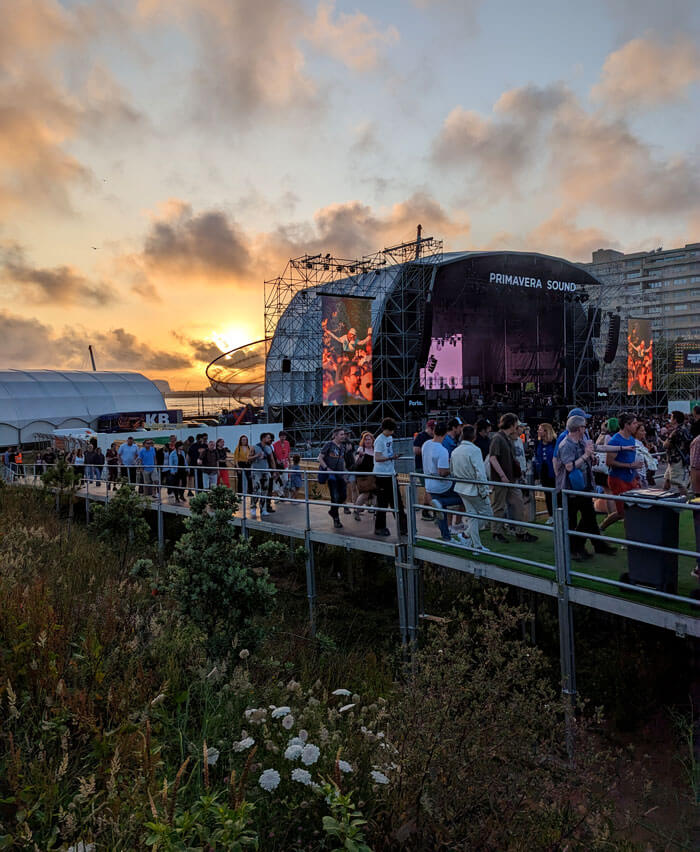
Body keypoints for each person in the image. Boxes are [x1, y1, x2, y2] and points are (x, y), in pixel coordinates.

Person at [557, 415, 617, 561]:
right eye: (584, 426)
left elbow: (593, 451)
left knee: (589, 516)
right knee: (577, 519)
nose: (586, 429)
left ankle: (589, 545)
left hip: (583, 486)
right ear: (579, 428)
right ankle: (576, 549)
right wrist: (586, 456)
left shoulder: (581, 442)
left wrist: (591, 458)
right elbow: (570, 466)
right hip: (571, 489)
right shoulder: (566, 445)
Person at [488, 412, 537, 544]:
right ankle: (496, 532)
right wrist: (502, 475)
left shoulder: (507, 438)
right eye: (516, 423)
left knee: (518, 504)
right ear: (511, 424)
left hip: (510, 479)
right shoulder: (498, 438)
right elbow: (492, 458)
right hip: (502, 479)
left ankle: (520, 531)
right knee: (499, 506)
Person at [451, 424, 492, 551]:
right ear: (474, 436)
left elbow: (452, 471)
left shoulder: (455, 451)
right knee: (487, 514)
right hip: (473, 488)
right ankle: (467, 537)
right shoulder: (474, 450)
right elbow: (480, 472)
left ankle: (475, 544)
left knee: (473, 516)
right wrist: (484, 490)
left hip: (461, 488)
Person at [422, 422, 465, 543]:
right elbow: (442, 472)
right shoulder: (442, 450)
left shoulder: (426, 444)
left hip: (429, 484)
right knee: (463, 498)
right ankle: (442, 502)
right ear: (445, 434)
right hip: (441, 485)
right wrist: (452, 468)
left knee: (441, 513)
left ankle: (446, 538)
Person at [602, 413, 643, 531]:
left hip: (630, 477)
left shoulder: (631, 439)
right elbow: (609, 462)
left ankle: (630, 537)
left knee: (632, 509)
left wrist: (635, 473)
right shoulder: (615, 440)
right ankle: (603, 527)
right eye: (634, 423)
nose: (637, 425)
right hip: (618, 479)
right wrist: (630, 465)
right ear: (626, 425)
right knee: (623, 512)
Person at [373, 418, 407, 537]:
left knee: (397, 502)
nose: (391, 432)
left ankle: (404, 527)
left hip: (391, 473)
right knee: (382, 503)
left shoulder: (389, 438)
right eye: (389, 430)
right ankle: (379, 527)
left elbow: (388, 452)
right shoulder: (379, 440)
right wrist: (390, 458)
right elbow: (377, 457)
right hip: (381, 475)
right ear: (384, 429)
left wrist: (393, 456)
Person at [318, 427, 348, 529]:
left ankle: (333, 510)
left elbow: (342, 461)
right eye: (341, 434)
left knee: (343, 496)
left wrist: (344, 474)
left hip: (340, 474)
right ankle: (336, 520)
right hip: (332, 475)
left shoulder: (342, 447)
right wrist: (327, 468)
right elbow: (320, 457)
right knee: (334, 496)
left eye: (343, 434)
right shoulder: (329, 445)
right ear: (335, 435)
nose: (343, 436)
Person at [663, 410, 691, 495]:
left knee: (679, 484)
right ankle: (661, 500)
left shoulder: (676, 432)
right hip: (678, 459)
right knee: (667, 480)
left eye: (671, 417)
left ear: (675, 419)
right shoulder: (685, 428)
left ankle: (687, 503)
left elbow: (666, 445)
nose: (670, 419)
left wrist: (666, 441)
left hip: (676, 459)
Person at [533, 423, 556, 523]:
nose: (538, 431)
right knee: (548, 494)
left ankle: (559, 514)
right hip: (543, 471)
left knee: (557, 494)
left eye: (540, 429)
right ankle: (551, 515)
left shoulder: (555, 442)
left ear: (546, 431)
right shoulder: (538, 443)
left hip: (554, 471)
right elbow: (537, 457)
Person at [413, 419, 436, 520]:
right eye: (433, 429)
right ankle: (427, 511)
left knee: (430, 489)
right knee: (429, 489)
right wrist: (427, 450)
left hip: (429, 467)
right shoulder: (421, 436)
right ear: (430, 428)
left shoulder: (434, 437)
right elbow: (416, 450)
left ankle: (427, 511)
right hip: (421, 467)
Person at [249, 432, 275, 518]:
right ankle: (253, 507)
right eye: (268, 438)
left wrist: (274, 471)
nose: (270, 439)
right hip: (256, 471)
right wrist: (256, 456)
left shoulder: (269, 448)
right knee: (257, 489)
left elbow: (271, 460)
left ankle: (263, 509)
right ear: (263, 438)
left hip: (265, 471)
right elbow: (248, 458)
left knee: (265, 490)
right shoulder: (254, 447)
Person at [353, 431, 376, 518]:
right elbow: (357, 462)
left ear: (372, 440)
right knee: (365, 494)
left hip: (372, 475)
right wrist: (361, 456)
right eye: (365, 439)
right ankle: (356, 511)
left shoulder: (374, 449)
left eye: (369, 439)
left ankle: (376, 512)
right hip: (363, 476)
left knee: (374, 494)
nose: (367, 441)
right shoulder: (361, 449)